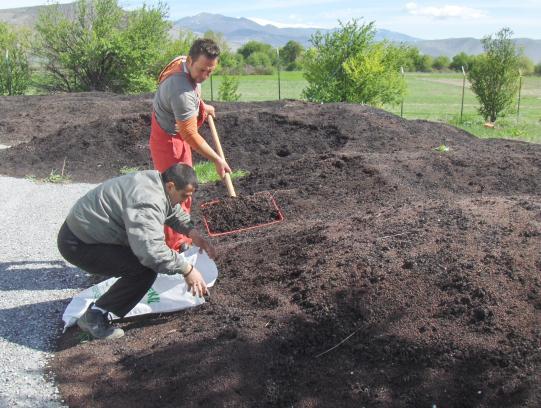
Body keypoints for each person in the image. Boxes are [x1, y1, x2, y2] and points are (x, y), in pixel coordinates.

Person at [57, 164, 215, 340]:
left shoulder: (156, 181)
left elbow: (170, 209)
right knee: (143, 271)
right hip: (79, 243)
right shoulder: (147, 201)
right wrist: (187, 270)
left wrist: (192, 232)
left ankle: (105, 304)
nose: (186, 200)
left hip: (90, 234)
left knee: (138, 263)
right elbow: (151, 252)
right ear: (171, 185)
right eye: (184, 195)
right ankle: (94, 317)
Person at [150, 38, 232, 252]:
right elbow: (189, 133)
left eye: (210, 71)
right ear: (190, 60)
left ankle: (178, 237)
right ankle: (175, 245)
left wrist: (202, 105)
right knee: (178, 190)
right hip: (169, 139)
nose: (204, 76)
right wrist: (217, 159)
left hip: (173, 127)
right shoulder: (181, 90)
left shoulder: (182, 63)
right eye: (202, 70)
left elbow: (191, 90)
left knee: (184, 186)